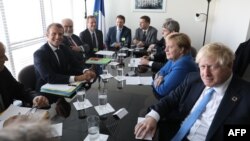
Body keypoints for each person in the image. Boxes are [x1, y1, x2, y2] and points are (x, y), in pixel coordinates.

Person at [134, 42, 250, 141]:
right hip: (175, 131)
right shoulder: (192, 79)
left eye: (212, 67)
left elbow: (243, 132)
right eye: (202, 66)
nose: (205, 74)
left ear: (229, 66)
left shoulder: (246, 94)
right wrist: (152, 117)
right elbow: (170, 99)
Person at [33, 23, 96, 103]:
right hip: (46, 94)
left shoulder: (63, 48)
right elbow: (50, 77)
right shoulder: (39, 53)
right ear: (47, 35)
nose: (57, 37)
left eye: (60, 34)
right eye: (54, 34)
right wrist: (78, 78)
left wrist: (86, 71)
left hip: (64, 87)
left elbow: (75, 63)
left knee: (86, 99)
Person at [0, 42, 49, 112]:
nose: (6, 59)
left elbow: (19, 90)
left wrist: (35, 97)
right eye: (1, 57)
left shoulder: (2, 71)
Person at [152, 32, 198, 98]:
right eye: (166, 46)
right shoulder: (175, 58)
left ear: (181, 50)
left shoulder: (183, 64)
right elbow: (162, 70)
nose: (165, 50)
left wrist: (154, 80)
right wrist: (160, 76)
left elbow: (162, 90)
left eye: (170, 47)